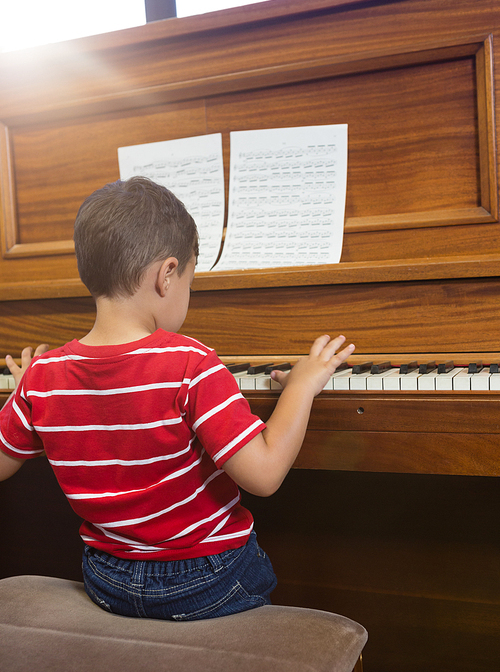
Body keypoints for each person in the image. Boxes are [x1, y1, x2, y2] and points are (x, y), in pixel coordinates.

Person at [0, 176, 354, 621]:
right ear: (167, 275)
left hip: (107, 580)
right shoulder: (189, 362)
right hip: (205, 580)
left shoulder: (42, 378)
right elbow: (263, 476)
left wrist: (20, 395)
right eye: (190, 280)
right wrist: (302, 386)